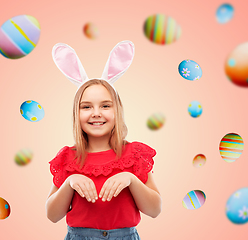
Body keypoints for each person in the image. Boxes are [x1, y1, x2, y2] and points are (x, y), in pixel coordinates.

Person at [46, 41, 162, 240]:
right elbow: (52, 215)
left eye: (105, 106)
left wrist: (131, 179)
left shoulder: (134, 154)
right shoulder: (68, 158)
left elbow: (154, 209)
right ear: (76, 114)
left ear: (117, 111)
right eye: (86, 107)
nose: (96, 114)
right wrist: (69, 183)